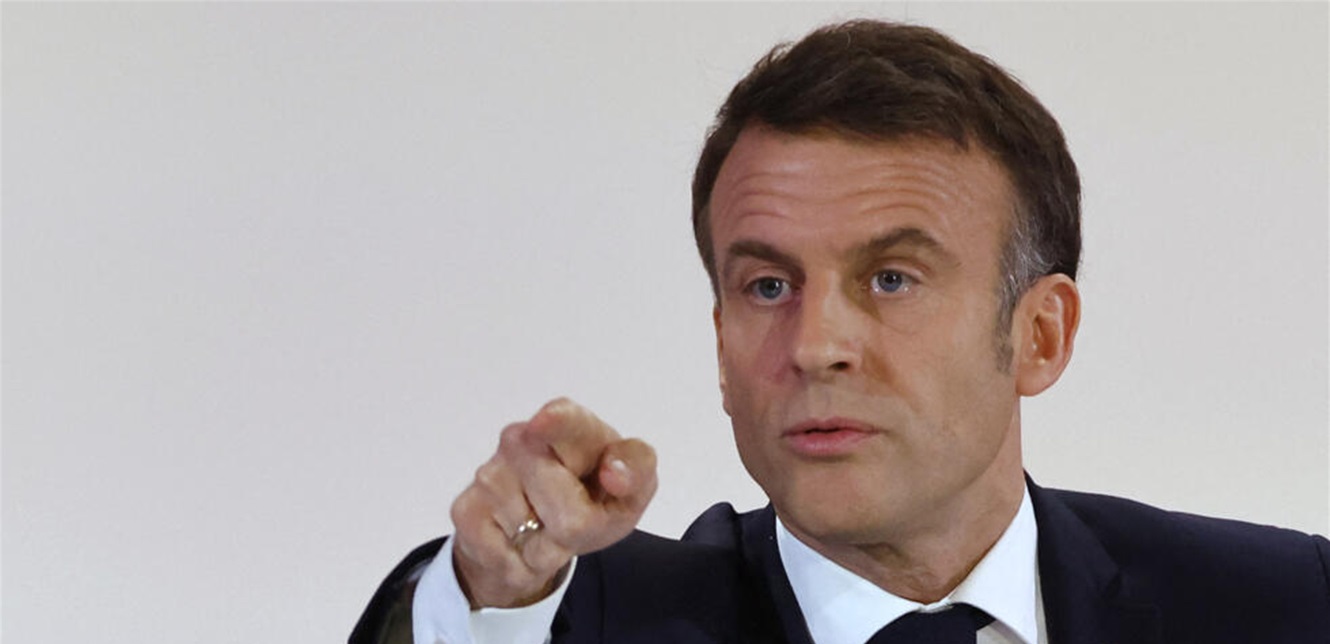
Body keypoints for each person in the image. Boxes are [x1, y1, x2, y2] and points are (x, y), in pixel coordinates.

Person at [351, 19, 1330, 644]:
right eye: (768, 285)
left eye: (891, 277)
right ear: (720, 341)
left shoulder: (1283, 605)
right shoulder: (590, 616)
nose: (814, 343)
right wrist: (490, 584)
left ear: (1040, 334)